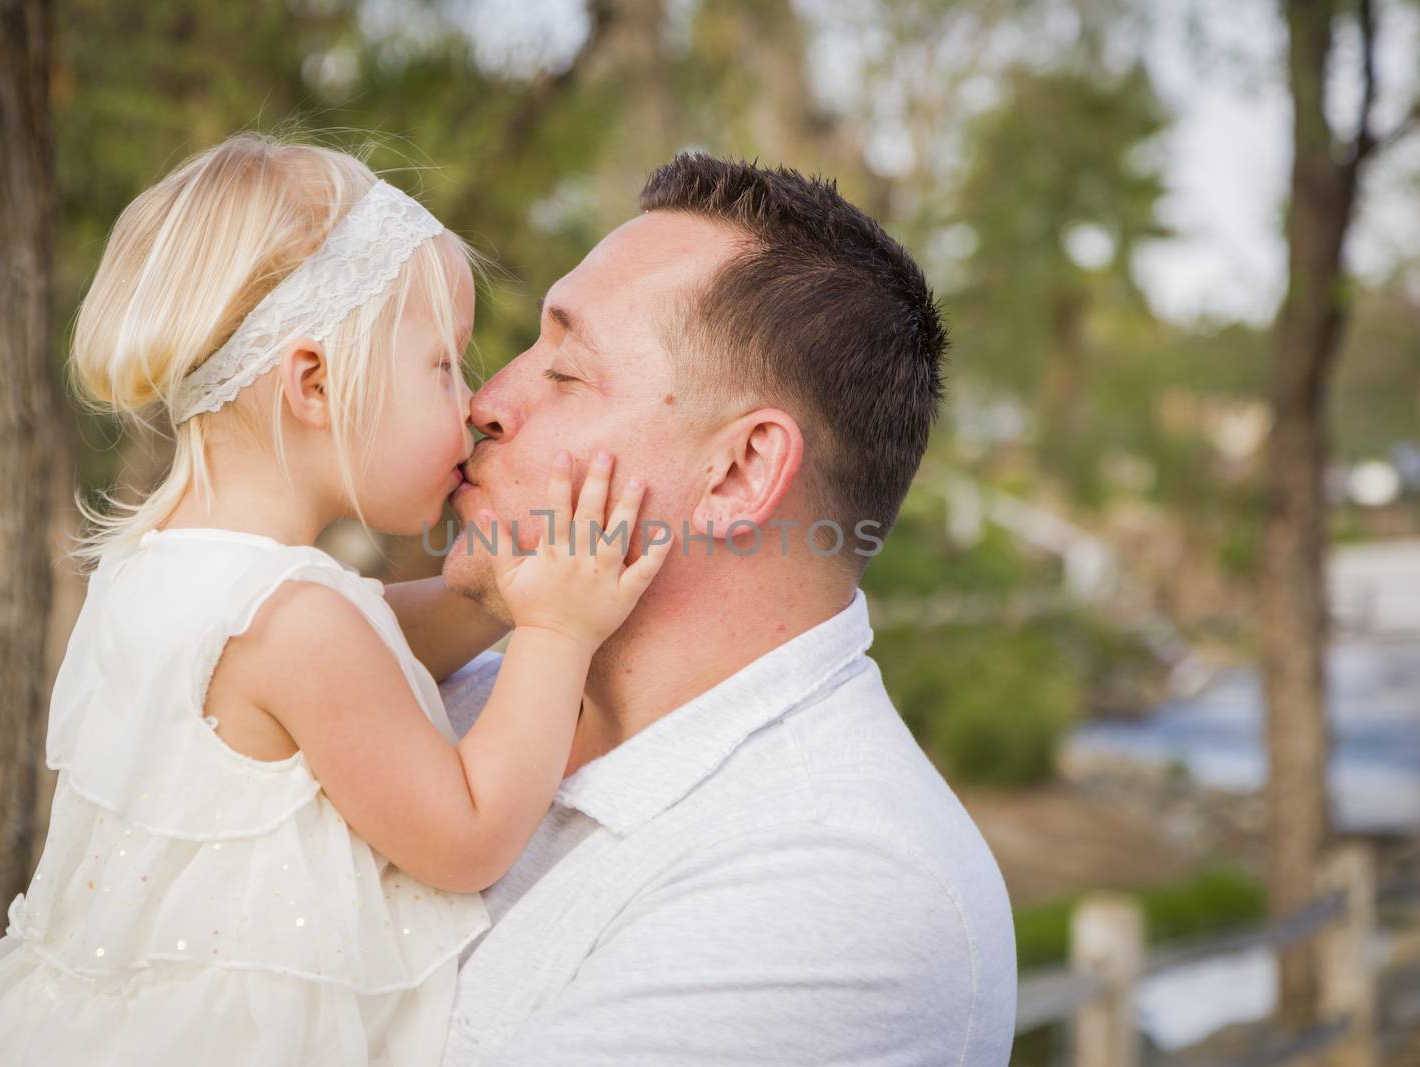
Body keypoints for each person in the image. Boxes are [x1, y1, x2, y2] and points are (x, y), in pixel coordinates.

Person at [0, 133, 668, 1067]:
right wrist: (555, 629)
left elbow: (368, 653)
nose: (468, 401)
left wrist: (491, 600)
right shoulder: (293, 624)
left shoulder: (166, 563)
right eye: (442, 364)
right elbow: (465, 836)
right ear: (313, 382)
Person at [435, 154, 1018, 1066]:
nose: (487, 402)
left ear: (740, 472)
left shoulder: (847, 883)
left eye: (567, 372)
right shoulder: (441, 696)